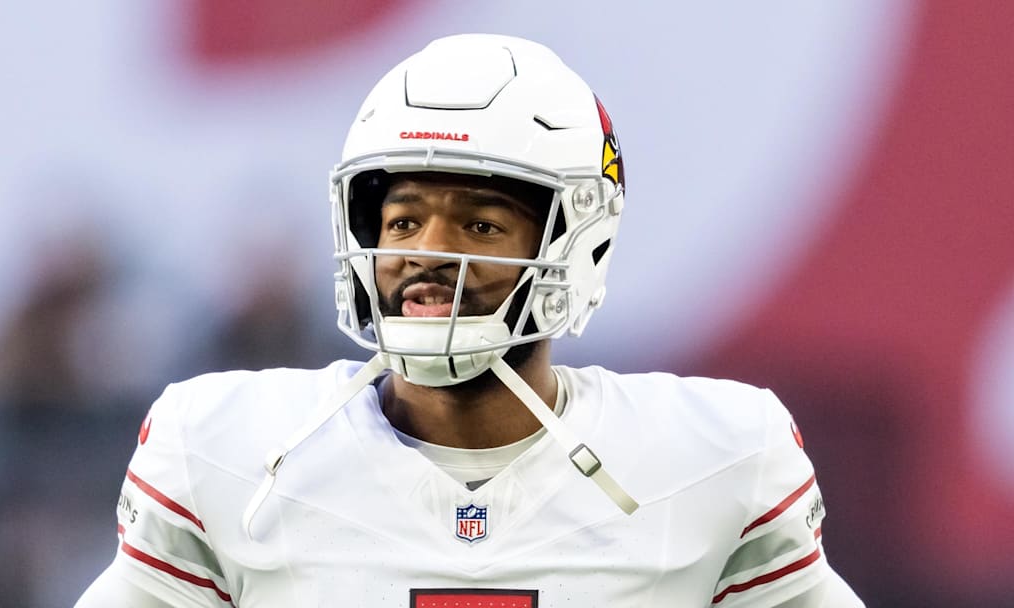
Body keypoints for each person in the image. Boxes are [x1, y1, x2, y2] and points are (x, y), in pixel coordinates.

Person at [76, 34, 863, 607]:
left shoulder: (719, 457)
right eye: (403, 220)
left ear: (575, 245)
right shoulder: (224, 449)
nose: (427, 254)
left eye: (480, 225)